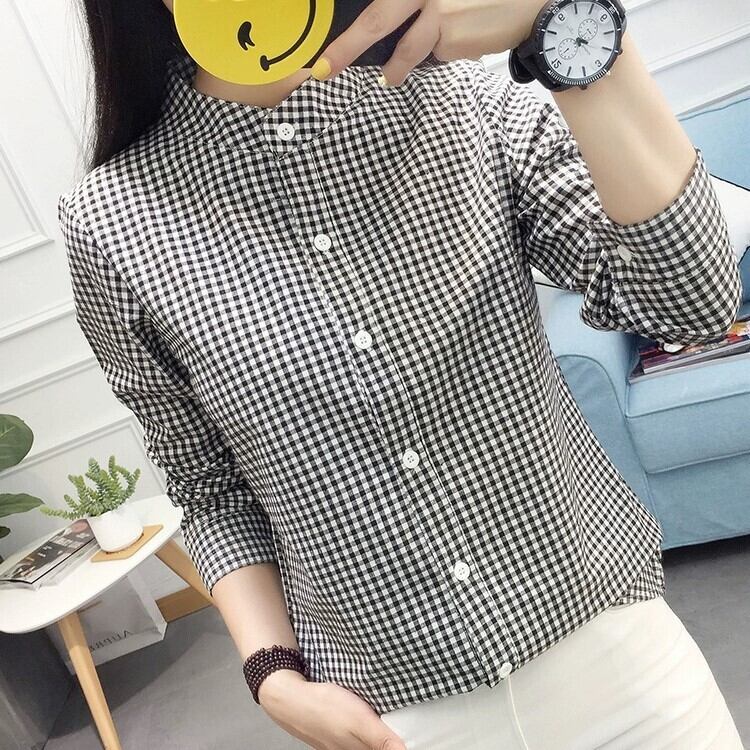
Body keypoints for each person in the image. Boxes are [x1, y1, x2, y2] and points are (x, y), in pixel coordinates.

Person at [58, 1, 745, 748]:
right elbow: (207, 485)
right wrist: (272, 674)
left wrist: (567, 23)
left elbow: (691, 301)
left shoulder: (468, 98)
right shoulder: (110, 219)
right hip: (397, 717)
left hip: (624, 669)